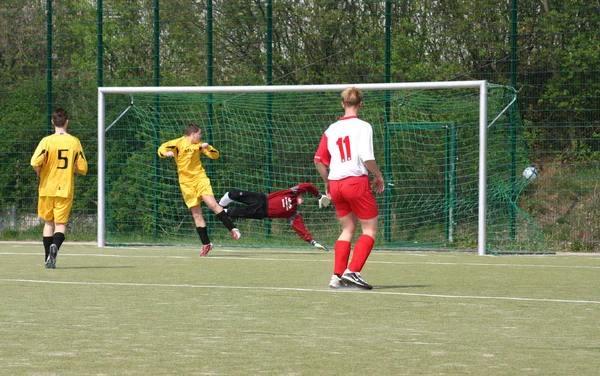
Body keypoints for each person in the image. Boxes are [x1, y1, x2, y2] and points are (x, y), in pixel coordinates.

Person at [314, 87, 385, 290]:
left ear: (342, 103)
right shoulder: (364, 126)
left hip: (336, 184)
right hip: (355, 182)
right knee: (369, 229)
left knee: (347, 229)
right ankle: (352, 272)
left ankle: (336, 276)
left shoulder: (331, 129)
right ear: (360, 104)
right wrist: (378, 176)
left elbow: (318, 160)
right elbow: (367, 158)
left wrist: (327, 181)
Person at [158, 124, 241, 256]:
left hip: (200, 179)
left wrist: (209, 147)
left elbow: (215, 155)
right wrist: (165, 153)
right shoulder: (177, 143)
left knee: (212, 204)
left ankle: (233, 229)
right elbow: (161, 148)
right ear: (193, 134)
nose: (201, 136)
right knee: (196, 214)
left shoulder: (200, 145)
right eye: (200, 134)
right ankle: (206, 244)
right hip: (186, 183)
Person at [30, 108, 88, 269]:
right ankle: (54, 250)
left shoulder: (46, 141)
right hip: (65, 188)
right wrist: (71, 169)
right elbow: (83, 168)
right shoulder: (74, 142)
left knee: (49, 223)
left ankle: (47, 256)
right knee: (60, 224)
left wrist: (39, 171)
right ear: (67, 122)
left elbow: (35, 162)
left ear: (52, 122)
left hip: (47, 188)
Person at [218, 183, 332, 251]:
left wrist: (312, 241)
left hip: (261, 212)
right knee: (233, 193)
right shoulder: (291, 192)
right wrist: (318, 195)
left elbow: (300, 228)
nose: (303, 198)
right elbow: (307, 186)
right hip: (262, 198)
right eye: (302, 196)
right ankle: (218, 205)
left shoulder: (293, 213)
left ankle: (217, 210)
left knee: (234, 212)